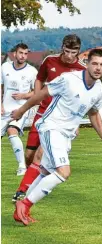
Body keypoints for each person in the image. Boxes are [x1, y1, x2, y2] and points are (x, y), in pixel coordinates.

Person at [12, 49, 102, 226]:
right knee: (63, 172)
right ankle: (24, 203)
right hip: (51, 127)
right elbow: (42, 94)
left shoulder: (98, 89)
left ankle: (23, 209)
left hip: (66, 135)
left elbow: (94, 114)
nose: (98, 68)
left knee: (46, 172)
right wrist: (21, 111)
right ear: (87, 64)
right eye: (95, 63)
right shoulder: (69, 79)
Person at [12, 34, 86, 202]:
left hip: (58, 120)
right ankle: (39, 183)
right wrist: (38, 98)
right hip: (42, 113)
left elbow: (81, 98)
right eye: (66, 51)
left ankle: (22, 192)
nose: (69, 55)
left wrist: (76, 124)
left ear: (78, 52)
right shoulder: (50, 61)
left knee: (40, 154)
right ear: (62, 48)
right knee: (30, 155)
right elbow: (39, 80)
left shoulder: (81, 69)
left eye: (73, 52)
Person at [1, 43, 38, 176]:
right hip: (4, 110)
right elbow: (1, 87)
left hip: (21, 110)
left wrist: (24, 95)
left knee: (12, 131)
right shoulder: (4, 67)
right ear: (14, 54)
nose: (23, 56)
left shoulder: (32, 71)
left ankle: (22, 167)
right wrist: (0, 105)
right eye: (21, 53)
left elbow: (37, 92)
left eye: (25, 53)